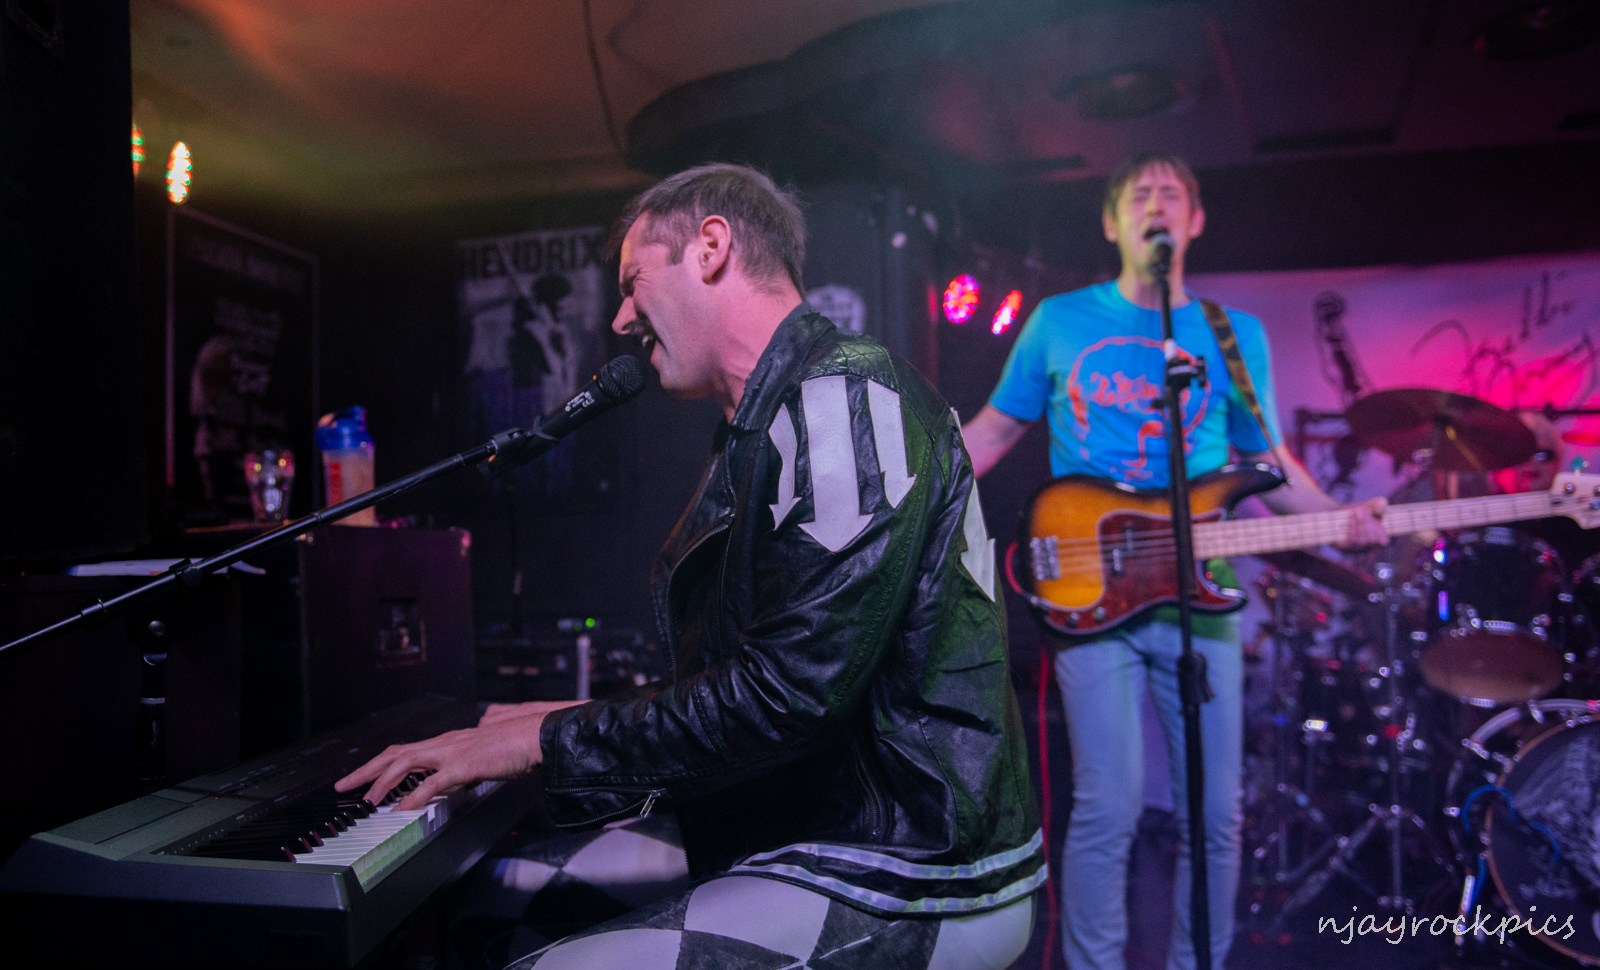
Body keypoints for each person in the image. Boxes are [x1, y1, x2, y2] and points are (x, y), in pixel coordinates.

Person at [338, 163, 1044, 969]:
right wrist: (551, 718)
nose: (620, 318)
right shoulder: (768, 420)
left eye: (632, 284)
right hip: (805, 832)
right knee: (486, 903)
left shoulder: (841, 394)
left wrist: (545, 739)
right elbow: (760, 678)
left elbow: (787, 697)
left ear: (710, 247)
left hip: (907, 867)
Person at [960, 153, 1387, 970]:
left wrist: (1341, 523)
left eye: (1172, 193)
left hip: (1204, 595)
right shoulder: (1058, 321)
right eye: (1139, 193)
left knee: (1215, 816)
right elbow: (991, 433)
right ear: (1111, 220)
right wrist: (909, 484)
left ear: (1195, 221)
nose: (1156, 203)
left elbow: (1269, 464)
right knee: (1109, 808)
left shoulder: (1232, 334)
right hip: (1092, 594)